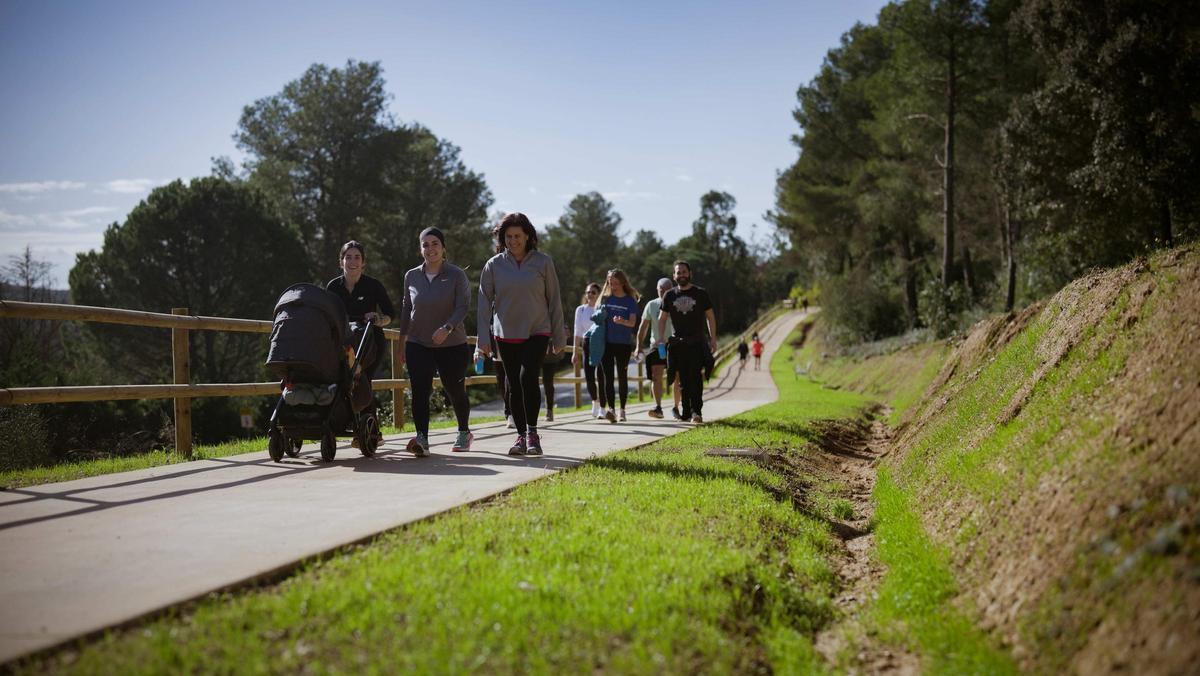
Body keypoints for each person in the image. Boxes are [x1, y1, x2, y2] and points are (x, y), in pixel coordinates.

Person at [475, 213, 566, 456]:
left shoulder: (543, 262)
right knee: (513, 384)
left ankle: (533, 433)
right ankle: (520, 437)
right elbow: (484, 303)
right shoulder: (494, 265)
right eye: (508, 237)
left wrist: (559, 336)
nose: (513, 241)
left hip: (537, 329)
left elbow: (554, 299)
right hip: (505, 333)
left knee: (528, 378)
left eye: (517, 236)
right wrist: (482, 340)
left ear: (528, 236)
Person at [395, 227, 473, 457]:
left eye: (435, 243)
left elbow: (463, 307)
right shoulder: (411, 275)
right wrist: (401, 342)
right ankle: (422, 438)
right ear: (420, 249)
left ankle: (463, 432)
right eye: (425, 244)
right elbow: (406, 309)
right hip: (418, 342)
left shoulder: (456, 275)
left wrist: (447, 328)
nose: (430, 249)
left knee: (454, 389)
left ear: (443, 247)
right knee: (420, 390)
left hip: (452, 344)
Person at [326, 240, 393, 446]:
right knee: (344, 381)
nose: (352, 261)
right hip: (343, 344)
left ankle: (369, 432)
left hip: (370, 342)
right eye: (348, 257)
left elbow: (390, 314)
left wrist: (378, 318)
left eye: (357, 257)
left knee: (362, 379)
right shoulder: (333, 287)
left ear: (363, 263)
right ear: (341, 261)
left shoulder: (373, 285)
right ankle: (346, 424)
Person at [656, 260, 716, 424]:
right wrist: (660, 338)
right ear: (674, 276)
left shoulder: (700, 293)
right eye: (678, 272)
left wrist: (713, 339)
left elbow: (710, 317)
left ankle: (697, 412)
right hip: (678, 344)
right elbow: (661, 319)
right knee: (682, 380)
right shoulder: (669, 295)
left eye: (684, 272)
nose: (681, 275)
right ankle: (686, 412)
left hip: (697, 342)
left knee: (695, 378)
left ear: (690, 274)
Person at [594, 269, 640, 423]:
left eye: (615, 283)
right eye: (610, 283)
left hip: (623, 344)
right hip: (606, 343)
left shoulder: (630, 300)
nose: (612, 286)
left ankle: (623, 411)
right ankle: (611, 410)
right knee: (607, 377)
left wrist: (623, 322)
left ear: (622, 282)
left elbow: (633, 322)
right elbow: (596, 315)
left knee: (622, 377)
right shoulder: (606, 299)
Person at [636, 277, 682, 419]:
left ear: (672, 289)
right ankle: (658, 408)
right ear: (657, 290)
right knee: (656, 376)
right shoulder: (651, 305)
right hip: (657, 345)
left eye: (666, 290)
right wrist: (638, 346)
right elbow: (643, 327)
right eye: (660, 290)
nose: (662, 293)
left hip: (674, 345)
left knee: (676, 377)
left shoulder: (678, 303)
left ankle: (675, 407)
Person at [572, 282, 604, 418]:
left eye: (593, 292)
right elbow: (577, 331)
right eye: (588, 292)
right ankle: (595, 401)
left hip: (601, 343)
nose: (590, 295)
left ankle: (603, 407)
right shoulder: (581, 310)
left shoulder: (601, 308)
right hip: (587, 343)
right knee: (589, 377)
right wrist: (574, 352)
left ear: (598, 294)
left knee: (601, 377)